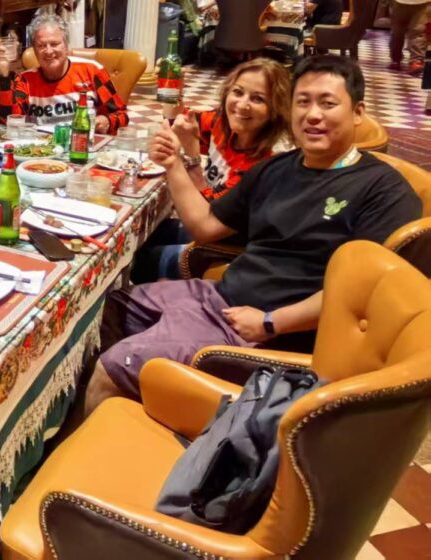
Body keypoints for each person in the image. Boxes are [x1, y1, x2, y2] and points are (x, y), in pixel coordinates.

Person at [85, 55, 421, 415]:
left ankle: (98, 434)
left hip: (265, 332)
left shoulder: (383, 190)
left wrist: (270, 323)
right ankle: (143, 412)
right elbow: (205, 226)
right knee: (107, 309)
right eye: (303, 102)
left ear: (357, 112)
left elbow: (360, 297)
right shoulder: (276, 169)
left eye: (327, 103)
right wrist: (173, 164)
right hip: (219, 297)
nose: (312, 115)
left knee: (111, 367)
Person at [131, 58, 292, 283]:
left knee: (141, 261)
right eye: (238, 92)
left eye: (258, 99)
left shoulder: (263, 165)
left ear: (275, 109)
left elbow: (206, 220)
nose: (242, 105)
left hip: (231, 250)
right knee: (144, 233)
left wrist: (185, 159)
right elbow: (178, 120)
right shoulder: (223, 123)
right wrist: (175, 91)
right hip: (210, 222)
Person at [0, 12, 128, 132]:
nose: (48, 51)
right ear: (34, 50)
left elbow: (122, 116)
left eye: (54, 44)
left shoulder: (92, 71)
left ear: (66, 45)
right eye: (41, 45)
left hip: (81, 144)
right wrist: (4, 74)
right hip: (41, 147)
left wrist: (106, 121)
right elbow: (8, 121)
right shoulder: (25, 80)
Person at [167, 0, 204, 64]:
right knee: (202, 30)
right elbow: (186, 13)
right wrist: (196, 21)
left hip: (182, 22)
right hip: (179, 23)